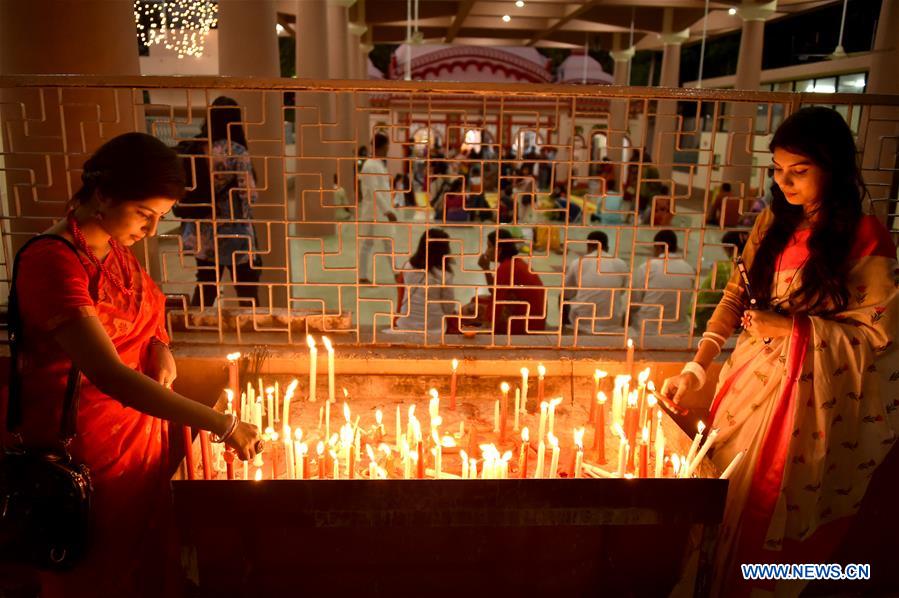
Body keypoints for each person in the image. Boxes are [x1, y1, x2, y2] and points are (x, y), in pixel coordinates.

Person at [2, 132, 261, 597]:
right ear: (103, 193)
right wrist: (221, 423)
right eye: (145, 214)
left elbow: (151, 310)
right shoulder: (53, 263)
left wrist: (161, 344)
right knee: (99, 566)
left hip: (141, 438)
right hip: (86, 448)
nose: (151, 230)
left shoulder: (116, 252)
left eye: (159, 218)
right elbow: (110, 375)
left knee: (145, 561)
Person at [662, 107, 899, 596]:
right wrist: (695, 368)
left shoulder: (866, 236)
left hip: (810, 400)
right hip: (746, 383)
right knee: (724, 495)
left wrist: (795, 330)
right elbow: (734, 296)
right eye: (778, 170)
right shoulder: (772, 222)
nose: (785, 182)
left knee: (772, 505)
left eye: (800, 171)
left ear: (832, 168)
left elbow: (876, 335)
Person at [180, 96, 262, 308]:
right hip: (234, 232)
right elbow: (249, 196)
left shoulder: (197, 148)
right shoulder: (236, 151)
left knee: (206, 286)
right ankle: (253, 334)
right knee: (247, 289)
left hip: (202, 232)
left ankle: (197, 329)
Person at [464, 229, 546, 336]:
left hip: (524, 326)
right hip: (535, 322)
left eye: (489, 247)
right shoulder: (515, 263)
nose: (486, 251)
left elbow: (497, 302)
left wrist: (486, 327)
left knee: (469, 310)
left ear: (499, 249)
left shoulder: (506, 268)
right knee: (477, 301)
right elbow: (495, 290)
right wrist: (485, 268)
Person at [629, 229, 696, 335]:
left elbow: (634, 301)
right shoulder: (689, 269)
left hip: (648, 329)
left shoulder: (648, 267)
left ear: (658, 247)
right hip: (679, 329)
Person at [564, 231, 629, 333]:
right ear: (607, 248)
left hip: (582, 323)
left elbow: (566, 293)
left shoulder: (578, 263)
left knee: (563, 298)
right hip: (613, 322)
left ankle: (565, 332)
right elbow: (621, 291)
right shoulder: (621, 263)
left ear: (588, 247)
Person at [395, 229, 458, 333]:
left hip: (405, 324)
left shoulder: (408, 266)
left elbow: (402, 292)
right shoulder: (444, 275)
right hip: (433, 328)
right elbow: (448, 308)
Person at [358, 133, 397, 284]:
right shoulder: (370, 165)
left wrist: (388, 208)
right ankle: (363, 275)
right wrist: (387, 211)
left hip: (379, 211)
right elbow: (374, 191)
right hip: (373, 212)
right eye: (387, 145)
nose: (388, 148)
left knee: (386, 241)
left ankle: (395, 272)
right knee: (368, 243)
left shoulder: (378, 163)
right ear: (381, 146)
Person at [693, 230, 749, 332]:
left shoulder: (722, 267)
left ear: (728, 248)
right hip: (748, 324)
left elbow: (702, 302)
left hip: (722, 324)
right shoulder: (758, 266)